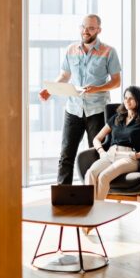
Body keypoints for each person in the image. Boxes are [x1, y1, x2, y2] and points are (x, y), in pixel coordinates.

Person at [39, 14, 121, 185]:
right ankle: (62, 197)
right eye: (84, 27)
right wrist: (50, 89)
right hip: (73, 109)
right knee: (66, 155)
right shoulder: (71, 50)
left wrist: (97, 88)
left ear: (99, 30)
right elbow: (65, 75)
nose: (86, 31)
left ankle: (94, 196)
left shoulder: (109, 51)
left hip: (97, 111)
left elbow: (116, 81)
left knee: (96, 155)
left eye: (91, 28)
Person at [86, 86, 140, 200]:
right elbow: (97, 139)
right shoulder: (116, 118)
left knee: (103, 177)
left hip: (129, 157)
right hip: (110, 154)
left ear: (139, 100)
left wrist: (138, 155)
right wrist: (101, 151)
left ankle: (99, 213)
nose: (127, 101)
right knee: (90, 173)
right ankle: (90, 210)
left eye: (131, 98)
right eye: (125, 98)